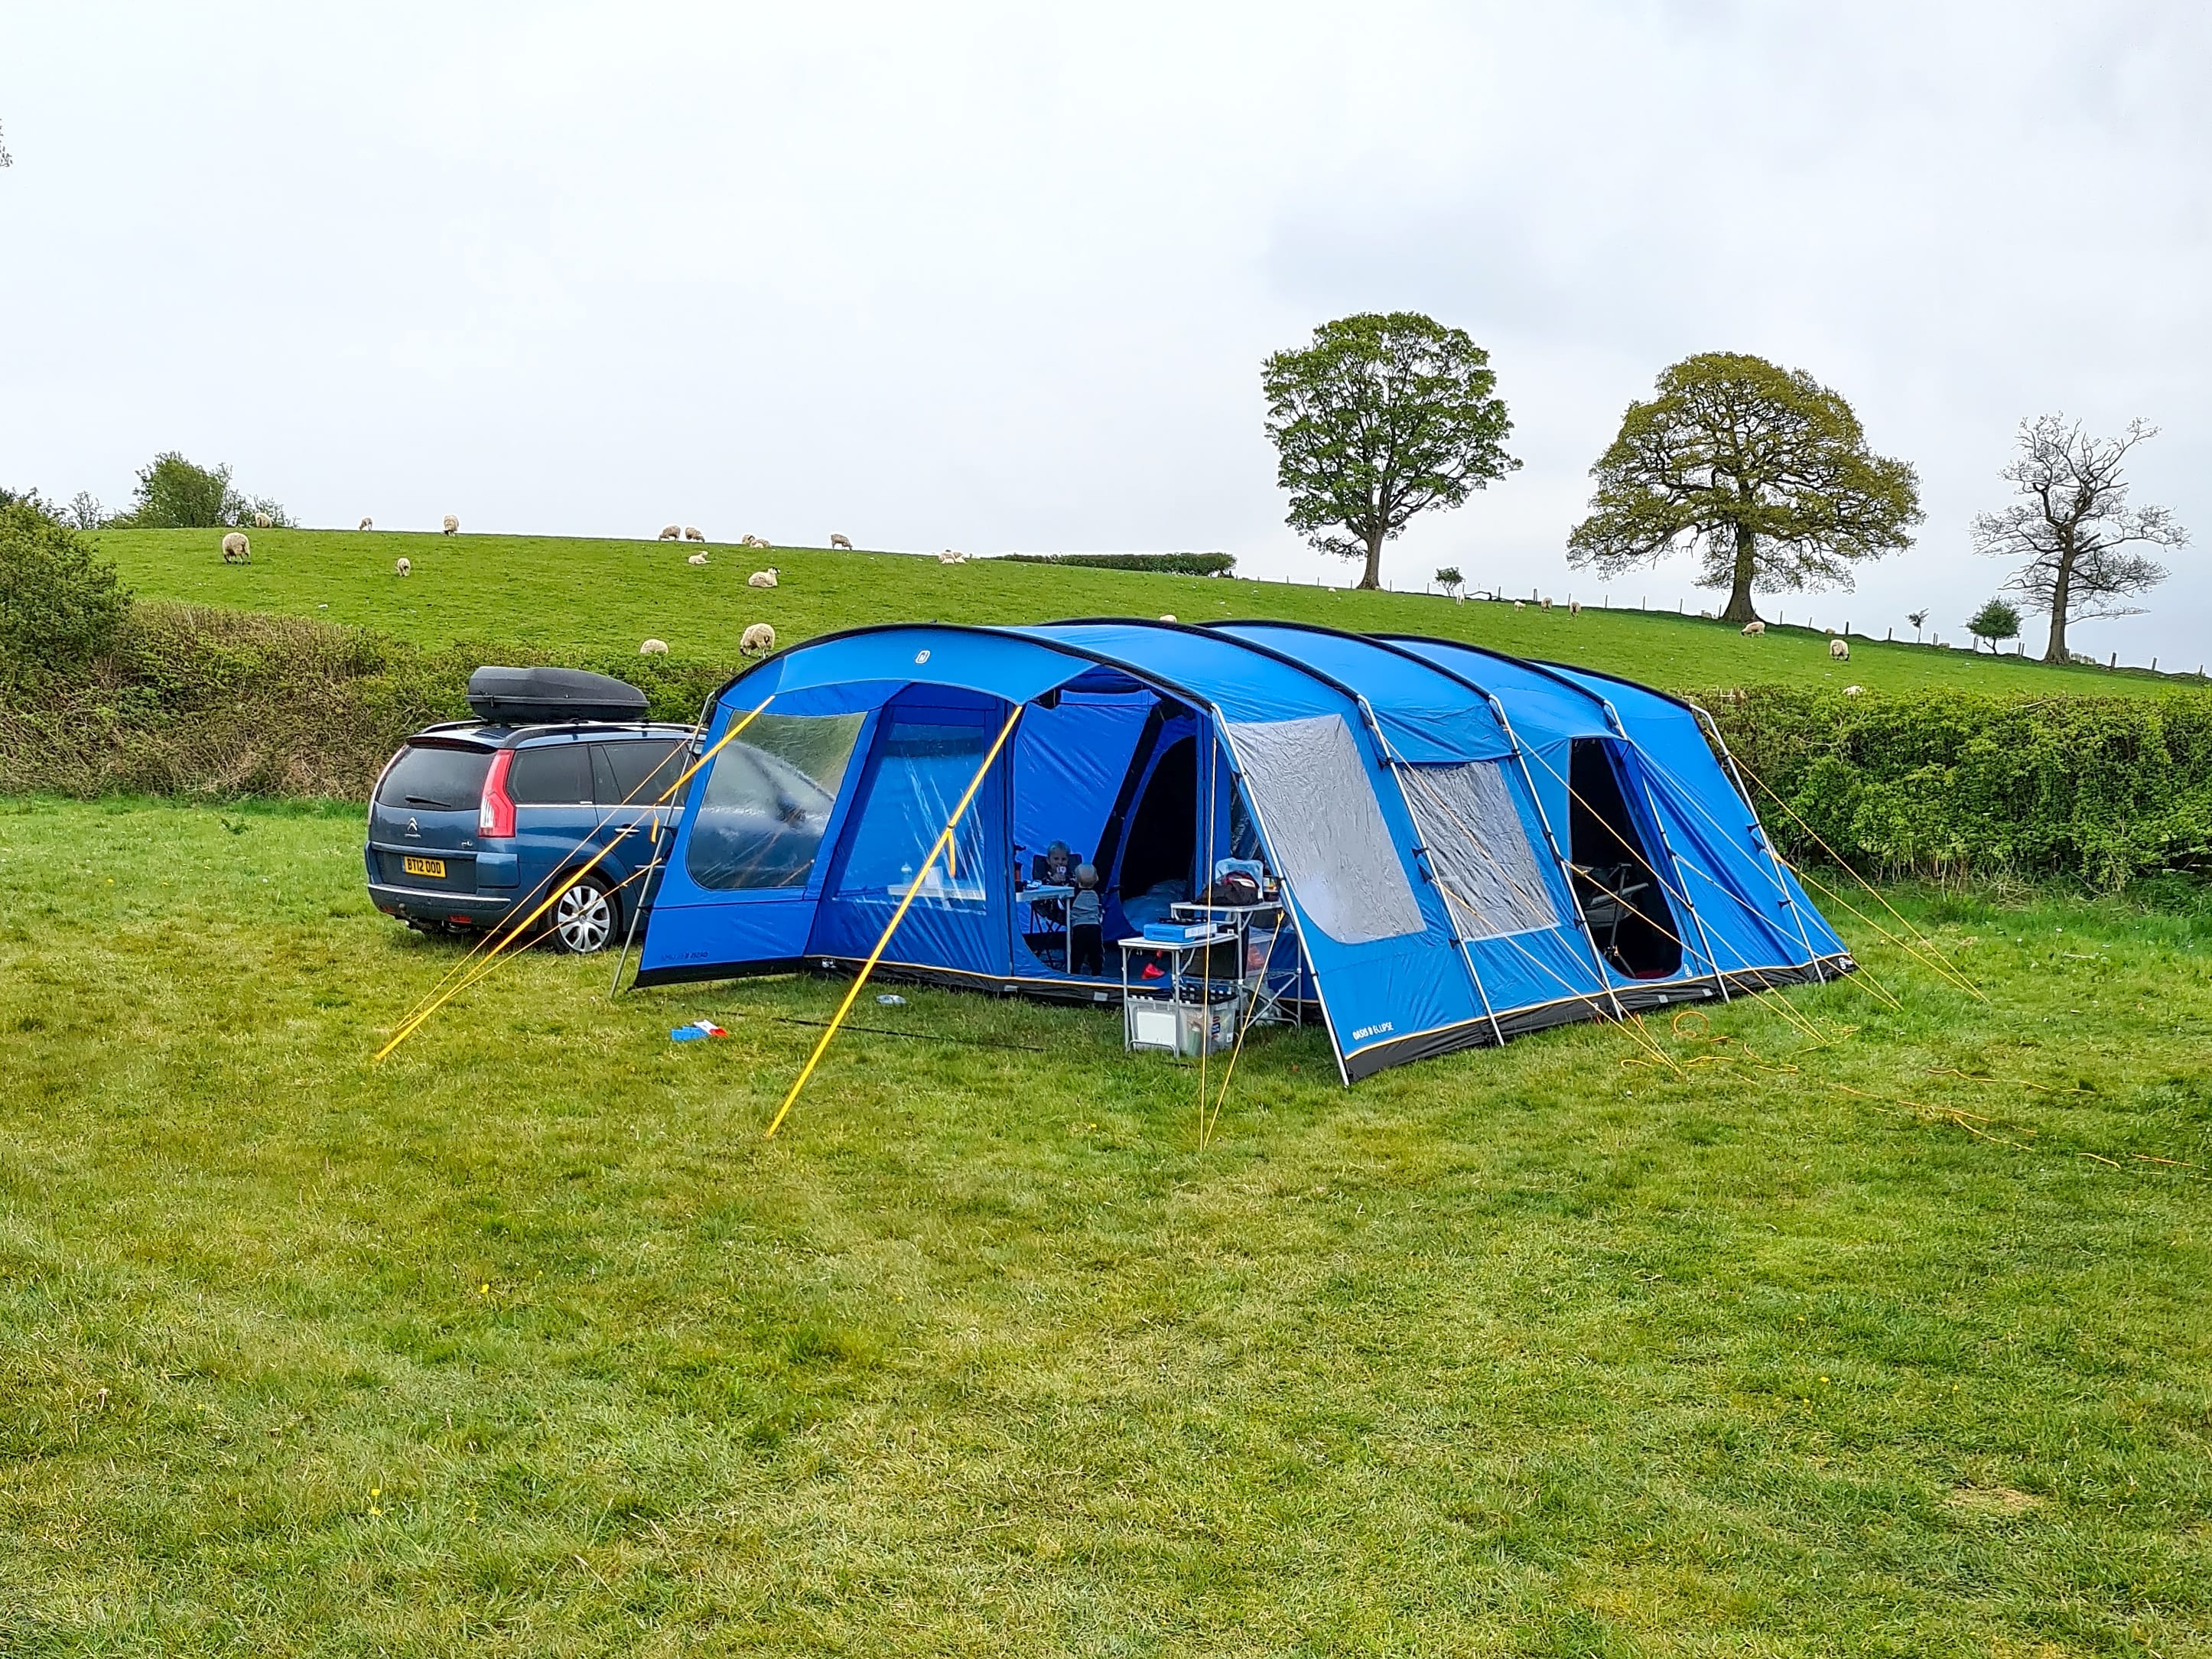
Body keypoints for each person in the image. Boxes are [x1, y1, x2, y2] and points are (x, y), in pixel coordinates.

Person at [1068, 862, 1104, 976]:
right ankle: (1097, 973)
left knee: (1077, 953)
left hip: (1079, 928)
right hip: (1095, 927)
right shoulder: (1097, 893)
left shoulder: (1074, 893)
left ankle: (1074, 973)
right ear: (1096, 878)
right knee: (1096, 953)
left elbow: (1064, 906)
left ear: (1076, 880)